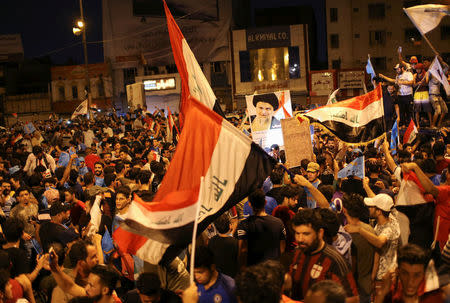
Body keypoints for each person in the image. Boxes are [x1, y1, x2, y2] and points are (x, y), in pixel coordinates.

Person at [288, 208, 359, 303]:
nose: (300, 239)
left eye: (306, 234)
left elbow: (352, 299)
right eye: (297, 233)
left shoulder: (335, 261)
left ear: (320, 233)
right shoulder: (297, 252)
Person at [375, 244, 443, 303]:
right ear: (397, 272)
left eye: (417, 275)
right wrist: (381, 293)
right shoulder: (390, 296)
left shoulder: (433, 298)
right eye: (405, 274)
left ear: (424, 274)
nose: (410, 282)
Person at [237, 189, 286, 268]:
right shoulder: (279, 223)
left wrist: (242, 268)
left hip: (253, 270)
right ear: (265, 202)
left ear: (249, 204)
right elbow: (282, 248)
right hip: (273, 269)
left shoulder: (244, 225)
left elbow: (242, 250)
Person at [342, 194, 375, 303]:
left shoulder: (345, 235)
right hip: (368, 284)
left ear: (344, 210)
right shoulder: (370, 230)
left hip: (353, 288)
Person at [207, 214, 239, 278]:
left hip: (220, 275)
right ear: (230, 226)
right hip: (233, 275)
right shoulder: (235, 242)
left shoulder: (211, 241)